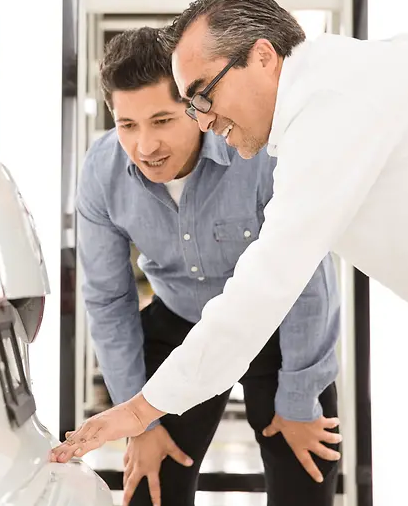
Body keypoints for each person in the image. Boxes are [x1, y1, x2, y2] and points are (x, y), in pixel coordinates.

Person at [52, 0, 408, 506]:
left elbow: (273, 284)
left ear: (263, 57)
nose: (203, 119)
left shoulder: (334, 105)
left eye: (202, 95)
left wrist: (139, 409)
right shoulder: (329, 108)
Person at [78, 27, 341, 506]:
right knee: (148, 490)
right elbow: (107, 299)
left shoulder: (258, 153)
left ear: (195, 105)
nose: (145, 146)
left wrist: (300, 397)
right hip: (179, 320)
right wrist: (142, 421)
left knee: (308, 475)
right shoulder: (101, 171)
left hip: (278, 328)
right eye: (128, 125)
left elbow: (307, 279)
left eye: (161, 120)